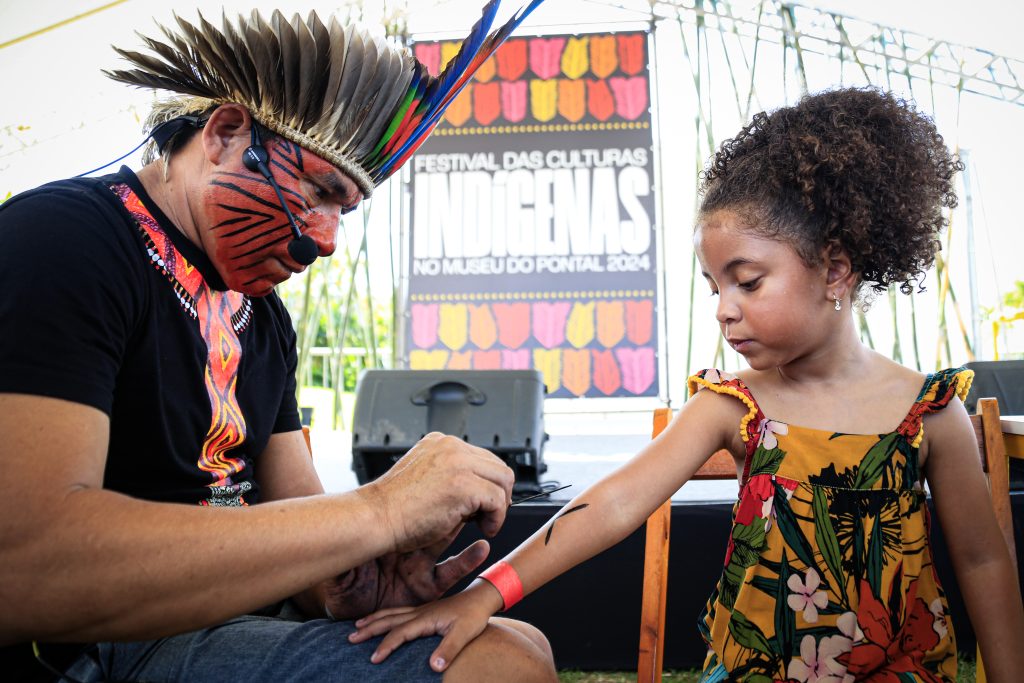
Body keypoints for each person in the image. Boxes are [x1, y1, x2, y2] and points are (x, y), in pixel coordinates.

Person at [350, 87, 1024, 681]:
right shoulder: (733, 406)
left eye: (748, 280)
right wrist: (482, 595)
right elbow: (614, 504)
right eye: (714, 286)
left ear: (836, 269)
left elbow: (983, 560)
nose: (724, 307)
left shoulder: (931, 412)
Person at [0, 6, 558, 683]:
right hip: (122, 637)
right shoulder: (67, 239)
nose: (324, 240)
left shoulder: (264, 319)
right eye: (317, 192)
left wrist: (346, 587)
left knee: (518, 642)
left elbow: (298, 518)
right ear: (227, 131)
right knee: (498, 667)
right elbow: (25, 562)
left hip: (241, 615)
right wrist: (380, 507)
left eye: (344, 212)